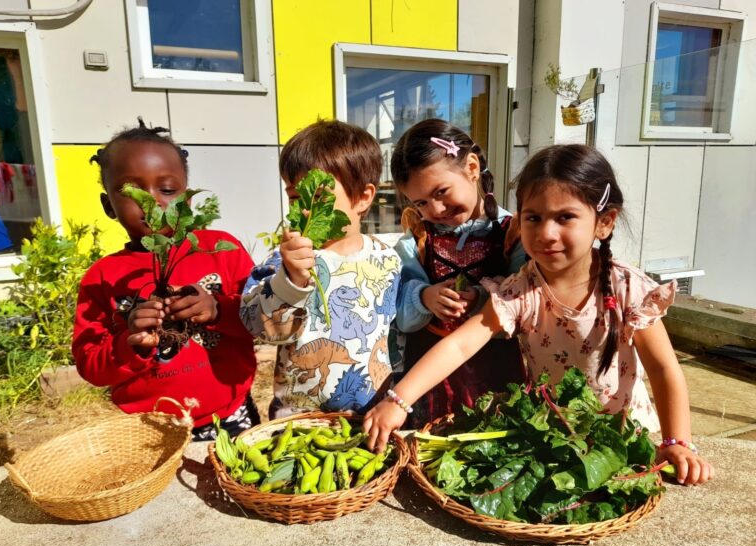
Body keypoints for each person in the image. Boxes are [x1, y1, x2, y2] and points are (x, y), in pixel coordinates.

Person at [365, 143, 714, 486]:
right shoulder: (521, 290)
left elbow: (664, 368)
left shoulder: (629, 290)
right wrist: (399, 400)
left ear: (604, 222)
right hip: (554, 442)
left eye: (565, 217)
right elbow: (460, 345)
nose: (546, 233)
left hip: (622, 443)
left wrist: (676, 443)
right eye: (533, 217)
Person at [72, 118, 260, 441]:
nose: (153, 201)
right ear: (108, 206)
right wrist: (128, 343)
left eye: (168, 189)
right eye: (132, 191)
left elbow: (260, 319)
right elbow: (90, 364)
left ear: (187, 199)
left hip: (230, 415)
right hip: (149, 430)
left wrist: (218, 309)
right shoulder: (101, 278)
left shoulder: (219, 249)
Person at [241, 119, 401, 419]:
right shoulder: (282, 260)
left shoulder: (388, 259)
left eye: (318, 198)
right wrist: (291, 280)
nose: (304, 210)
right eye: (293, 197)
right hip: (297, 418)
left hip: (370, 415)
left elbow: (395, 334)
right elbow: (258, 327)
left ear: (364, 197)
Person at [390, 118, 526, 428]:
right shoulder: (416, 239)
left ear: (472, 168)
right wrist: (424, 296)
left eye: (441, 192)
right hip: (429, 374)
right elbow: (400, 313)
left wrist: (482, 298)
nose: (435, 210)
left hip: (495, 368)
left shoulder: (513, 234)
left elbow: (524, 304)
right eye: (421, 202)